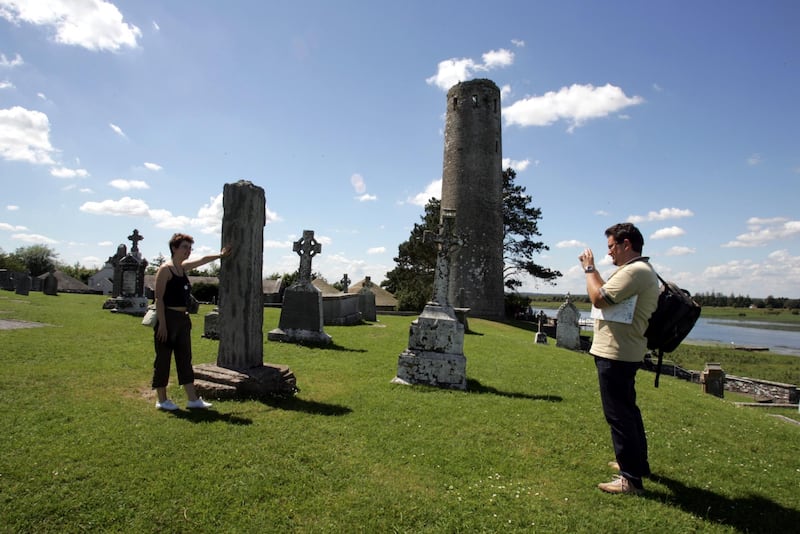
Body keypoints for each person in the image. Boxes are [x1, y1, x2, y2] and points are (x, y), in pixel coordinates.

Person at [579, 223, 659, 494]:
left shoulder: (635, 271)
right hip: (624, 350)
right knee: (628, 411)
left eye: (612, 247)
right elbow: (606, 293)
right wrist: (597, 274)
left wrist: (590, 270)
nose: (609, 253)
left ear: (627, 244)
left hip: (616, 352)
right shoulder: (636, 271)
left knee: (619, 415)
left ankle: (630, 480)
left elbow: (599, 298)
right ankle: (637, 465)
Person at [152, 233, 230, 411]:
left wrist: (220, 255)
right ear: (174, 248)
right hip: (168, 318)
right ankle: (162, 400)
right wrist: (162, 325)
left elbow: (202, 260)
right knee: (163, 359)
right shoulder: (165, 269)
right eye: (184, 247)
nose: (188, 251)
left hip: (182, 320)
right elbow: (159, 299)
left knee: (185, 359)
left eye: (190, 248)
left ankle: (192, 399)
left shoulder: (182, 268)